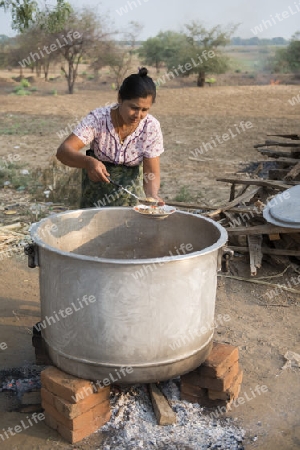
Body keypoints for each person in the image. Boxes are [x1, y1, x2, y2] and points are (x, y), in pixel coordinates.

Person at [56, 67, 164, 208]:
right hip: (94, 201)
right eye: (134, 108)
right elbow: (63, 151)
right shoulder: (98, 119)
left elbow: (151, 172)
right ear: (119, 98)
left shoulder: (151, 127)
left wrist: (152, 195)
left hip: (130, 202)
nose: (138, 115)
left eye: (145, 110)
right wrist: (88, 162)